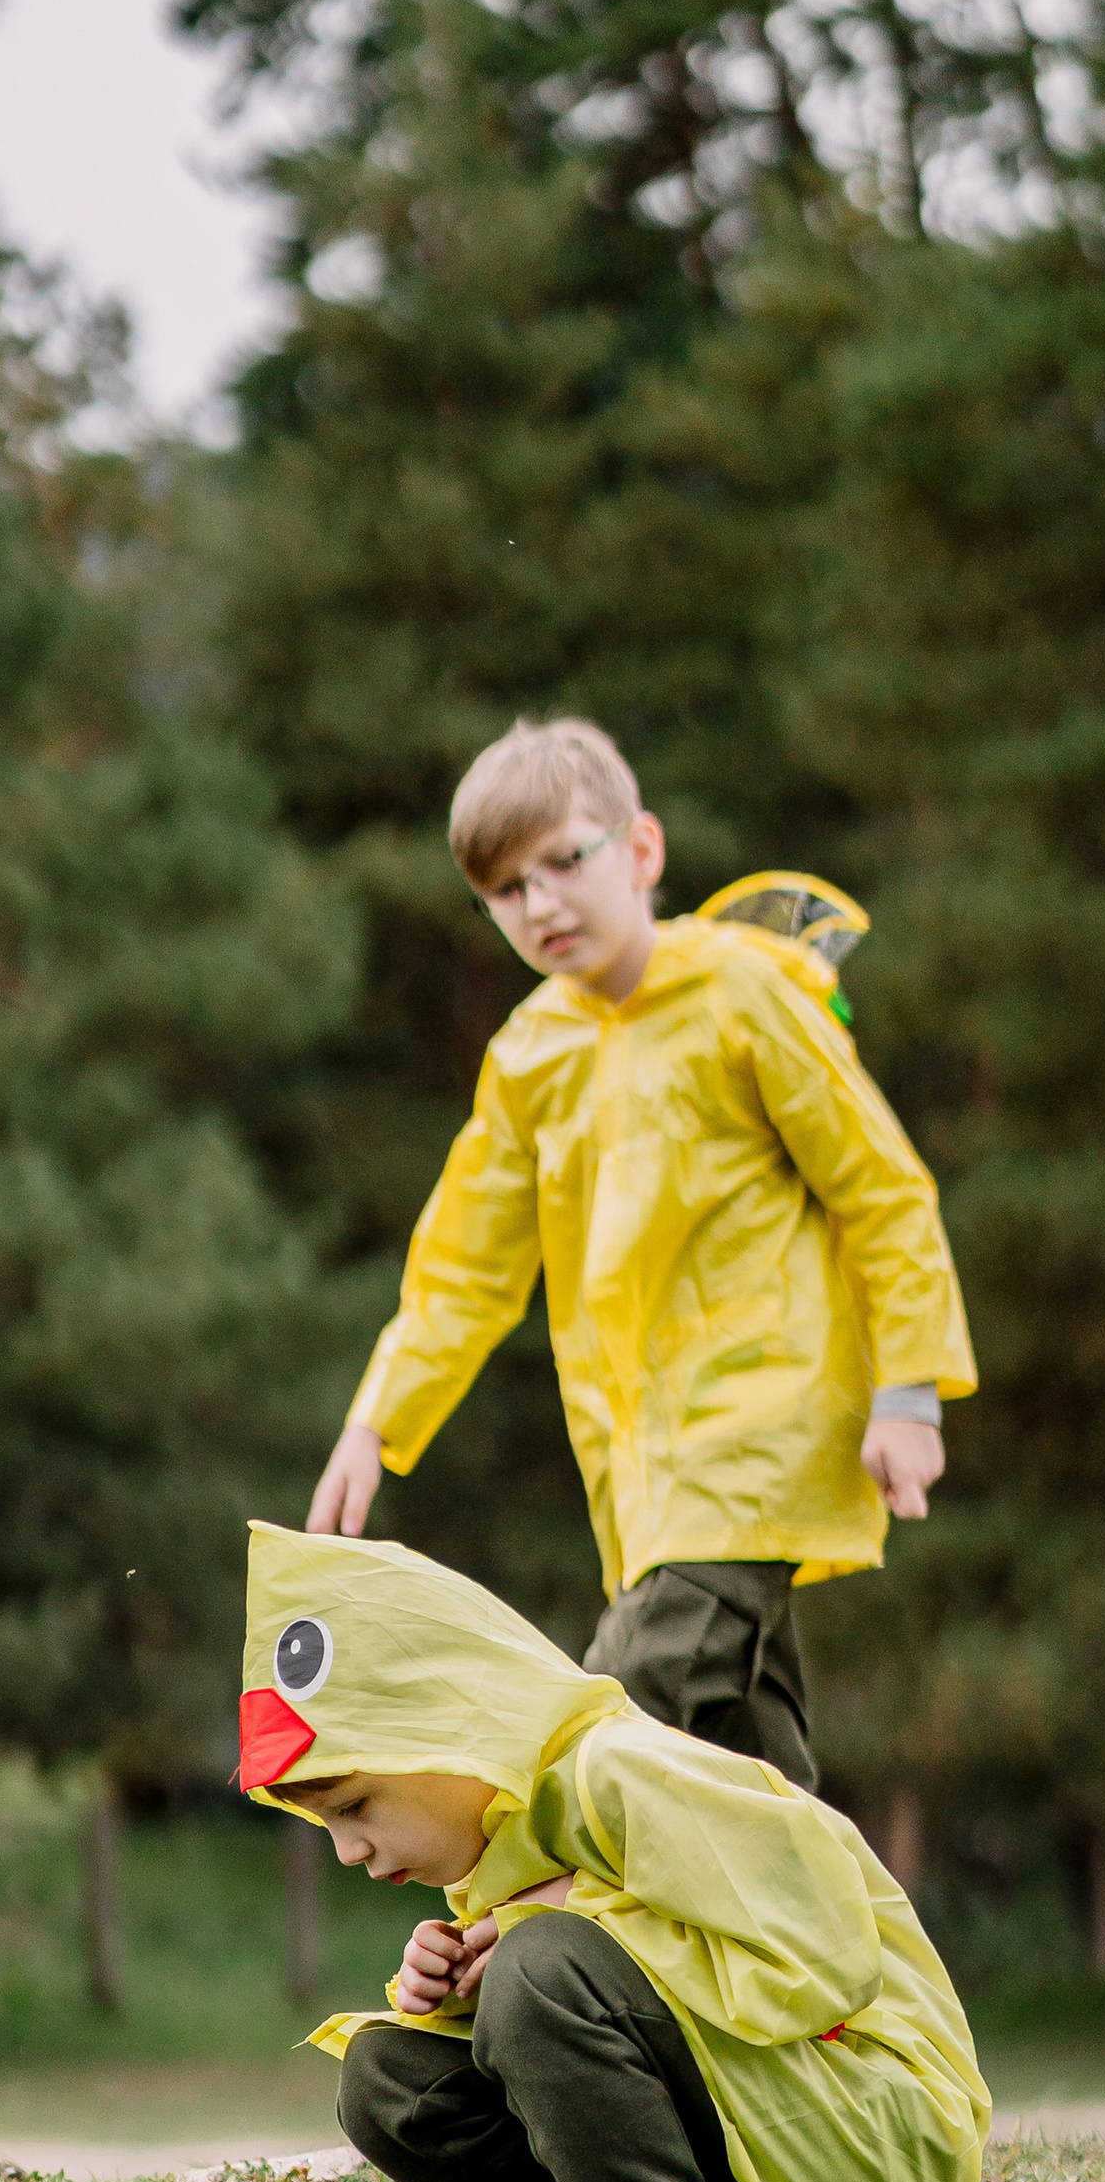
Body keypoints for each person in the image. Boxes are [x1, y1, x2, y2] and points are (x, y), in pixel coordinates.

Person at [237, 1525, 988, 2182]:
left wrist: (559, 1927)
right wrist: (452, 1989)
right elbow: (626, 2023)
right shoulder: (509, 1834)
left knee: (542, 1973)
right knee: (393, 2081)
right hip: (785, 2115)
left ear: (442, 1727)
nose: (348, 1849)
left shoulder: (615, 1769)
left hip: (881, 2117)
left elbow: (825, 1958)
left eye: (355, 1805)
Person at [306, 716, 975, 1790]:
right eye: (506, 888)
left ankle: (521, 1943)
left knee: (611, 1729)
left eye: (565, 862)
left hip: (758, 1438)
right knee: (746, 1785)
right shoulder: (529, 1056)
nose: (543, 904)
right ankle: (830, 1957)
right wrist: (376, 1425)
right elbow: (464, 1271)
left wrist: (909, 1390)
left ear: (643, 852)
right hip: (639, 1482)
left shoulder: (747, 996)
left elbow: (881, 1190)